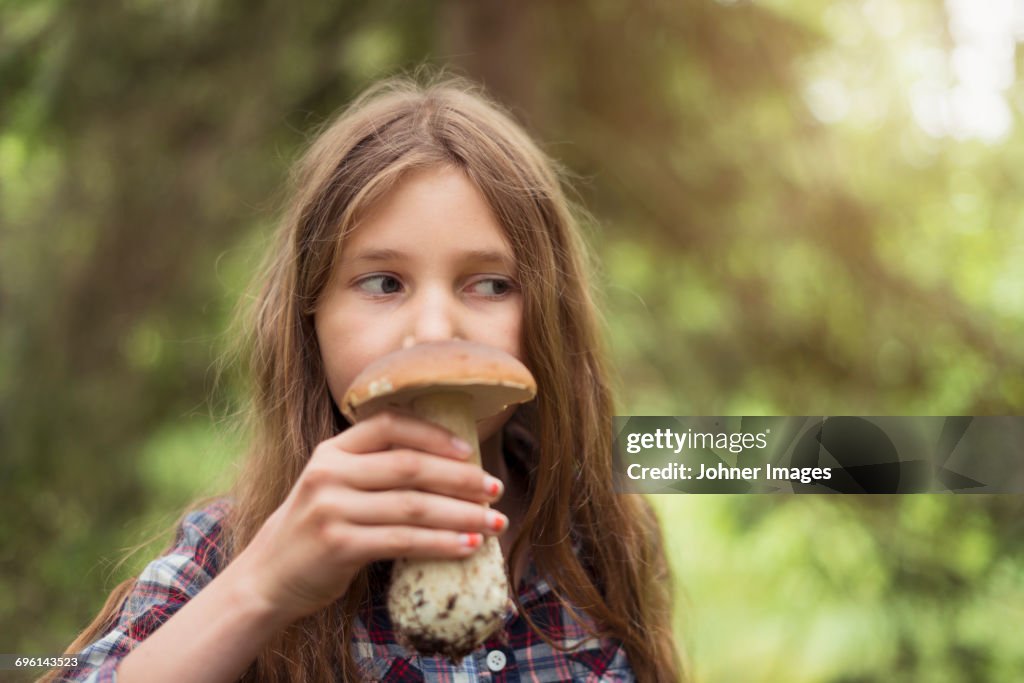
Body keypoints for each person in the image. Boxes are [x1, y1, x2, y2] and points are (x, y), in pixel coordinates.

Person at [46, 74, 683, 683]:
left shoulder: (598, 536)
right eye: (383, 283)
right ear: (308, 317)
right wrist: (260, 591)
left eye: (491, 284)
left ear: (548, 316)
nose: (434, 328)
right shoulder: (231, 552)